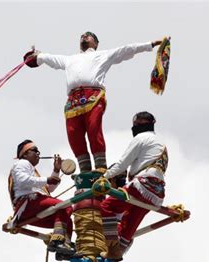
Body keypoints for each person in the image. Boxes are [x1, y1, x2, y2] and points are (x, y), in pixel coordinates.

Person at [24, 32, 163, 173]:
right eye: (82, 36)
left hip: (93, 97)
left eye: (88, 36)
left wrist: (150, 44)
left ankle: (101, 167)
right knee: (73, 134)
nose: (84, 37)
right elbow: (49, 58)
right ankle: (85, 170)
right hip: (73, 101)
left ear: (96, 44)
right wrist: (37, 56)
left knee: (93, 128)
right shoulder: (69, 59)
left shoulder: (102, 55)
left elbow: (127, 49)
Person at [100, 111, 168, 260]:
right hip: (157, 193)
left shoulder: (141, 138)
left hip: (142, 185)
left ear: (139, 124)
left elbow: (121, 165)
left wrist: (102, 177)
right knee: (128, 225)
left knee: (106, 206)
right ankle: (114, 259)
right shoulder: (159, 142)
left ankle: (112, 249)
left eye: (136, 124)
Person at [8, 139, 75, 255]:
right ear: (25, 154)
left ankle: (65, 246)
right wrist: (47, 179)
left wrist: (56, 170)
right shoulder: (22, 163)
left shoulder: (31, 170)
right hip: (28, 203)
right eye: (35, 151)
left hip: (29, 209)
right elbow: (22, 180)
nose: (38, 154)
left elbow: (48, 189)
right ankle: (58, 242)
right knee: (66, 207)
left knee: (67, 220)